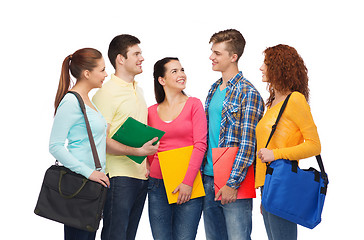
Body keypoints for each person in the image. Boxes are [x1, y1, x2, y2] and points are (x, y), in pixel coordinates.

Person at [92, 34, 159, 240]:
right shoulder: (106, 93)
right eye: (136, 54)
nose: (142, 58)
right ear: (121, 59)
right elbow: (100, 142)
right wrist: (137, 152)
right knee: (115, 235)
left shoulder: (138, 90)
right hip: (118, 177)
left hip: (140, 176)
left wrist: (145, 163)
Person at [202, 29, 265, 240]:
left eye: (217, 53)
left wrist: (231, 183)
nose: (211, 57)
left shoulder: (249, 93)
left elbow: (248, 145)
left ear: (233, 57)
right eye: (212, 52)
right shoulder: (213, 89)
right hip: (208, 177)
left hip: (234, 183)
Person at [256, 44, 321, 240]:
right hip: (268, 184)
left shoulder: (295, 100)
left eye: (266, 64)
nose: (261, 68)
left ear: (278, 67)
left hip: (281, 183)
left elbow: (314, 144)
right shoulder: (274, 102)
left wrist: (276, 154)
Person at [49, 48, 110, 240]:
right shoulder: (71, 101)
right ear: (87, 73)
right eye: (102, 69)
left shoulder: (87, 101)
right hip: (81, 184)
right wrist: (90, 173)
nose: (105, 74)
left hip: (93, 186)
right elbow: (55, 146)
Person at [147, 57, 207, 240]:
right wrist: (148, 168)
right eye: (174, 71)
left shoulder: (194, 104)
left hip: (189, 183)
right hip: (157, 185)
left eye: (182, 69)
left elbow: (200, 145)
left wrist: (188, 182)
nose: (181, 74)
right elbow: (149, 148)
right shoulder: (150, 111)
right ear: (161, 80)